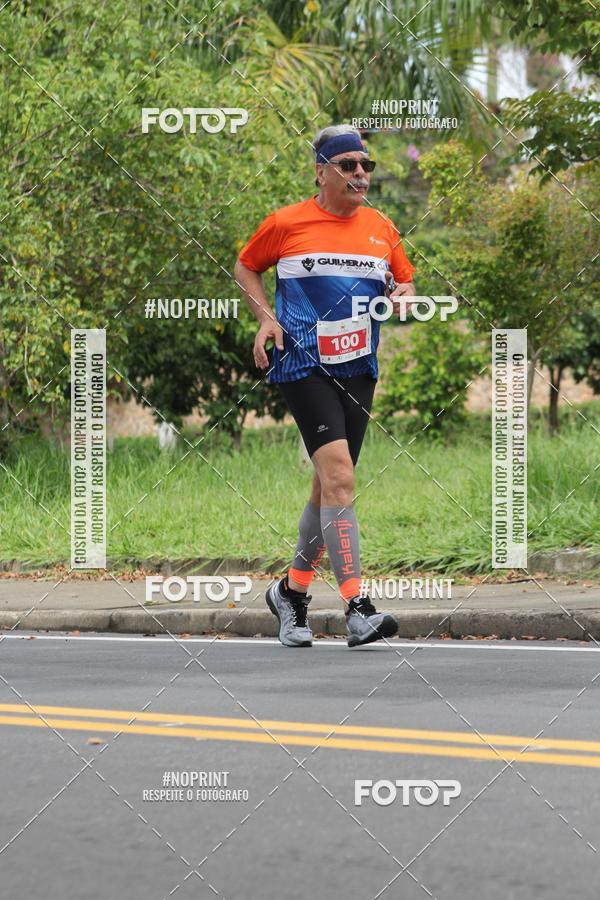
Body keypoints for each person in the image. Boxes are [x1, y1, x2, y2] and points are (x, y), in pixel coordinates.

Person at [234, 124, 416, 648]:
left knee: (327, 486)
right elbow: (246, 267)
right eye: (349, 165)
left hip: (359, 367)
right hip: (303, 364)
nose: (361, 174)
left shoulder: (382, 227)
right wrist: (266, 317)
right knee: (339, 477)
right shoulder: (287, 223)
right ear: (322, 171)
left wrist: (403, 291)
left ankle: (290, 592)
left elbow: (403, 279)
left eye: (367, 166)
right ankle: (358, 606)